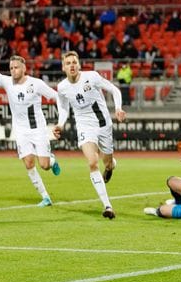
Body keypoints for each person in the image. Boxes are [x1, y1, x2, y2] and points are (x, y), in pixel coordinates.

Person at [0, 33, 61, 207]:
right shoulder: (6, 82)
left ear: (24, 68)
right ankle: (45, 197)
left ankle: (52, 160)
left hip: (38, 129)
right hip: (21, 131)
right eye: (11, 68)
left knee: (43, 165)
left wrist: (62, 118)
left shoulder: (36, 84)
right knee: (28, 163)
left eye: (16, 68)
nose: (13, 71)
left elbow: (56, 97)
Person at [53, 51, 126, 220]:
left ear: (79, 65)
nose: (72, 65)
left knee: (107, 162)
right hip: (85, 126)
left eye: (74, 62)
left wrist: (118, 108)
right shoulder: (62, 87)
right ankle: (108, 206)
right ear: (63, 67)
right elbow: (63, 108)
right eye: (68, 63)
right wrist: (60, 124)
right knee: (92, 162)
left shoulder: (92, 77)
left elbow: (114, 90)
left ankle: (110, 165)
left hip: (103, 124)